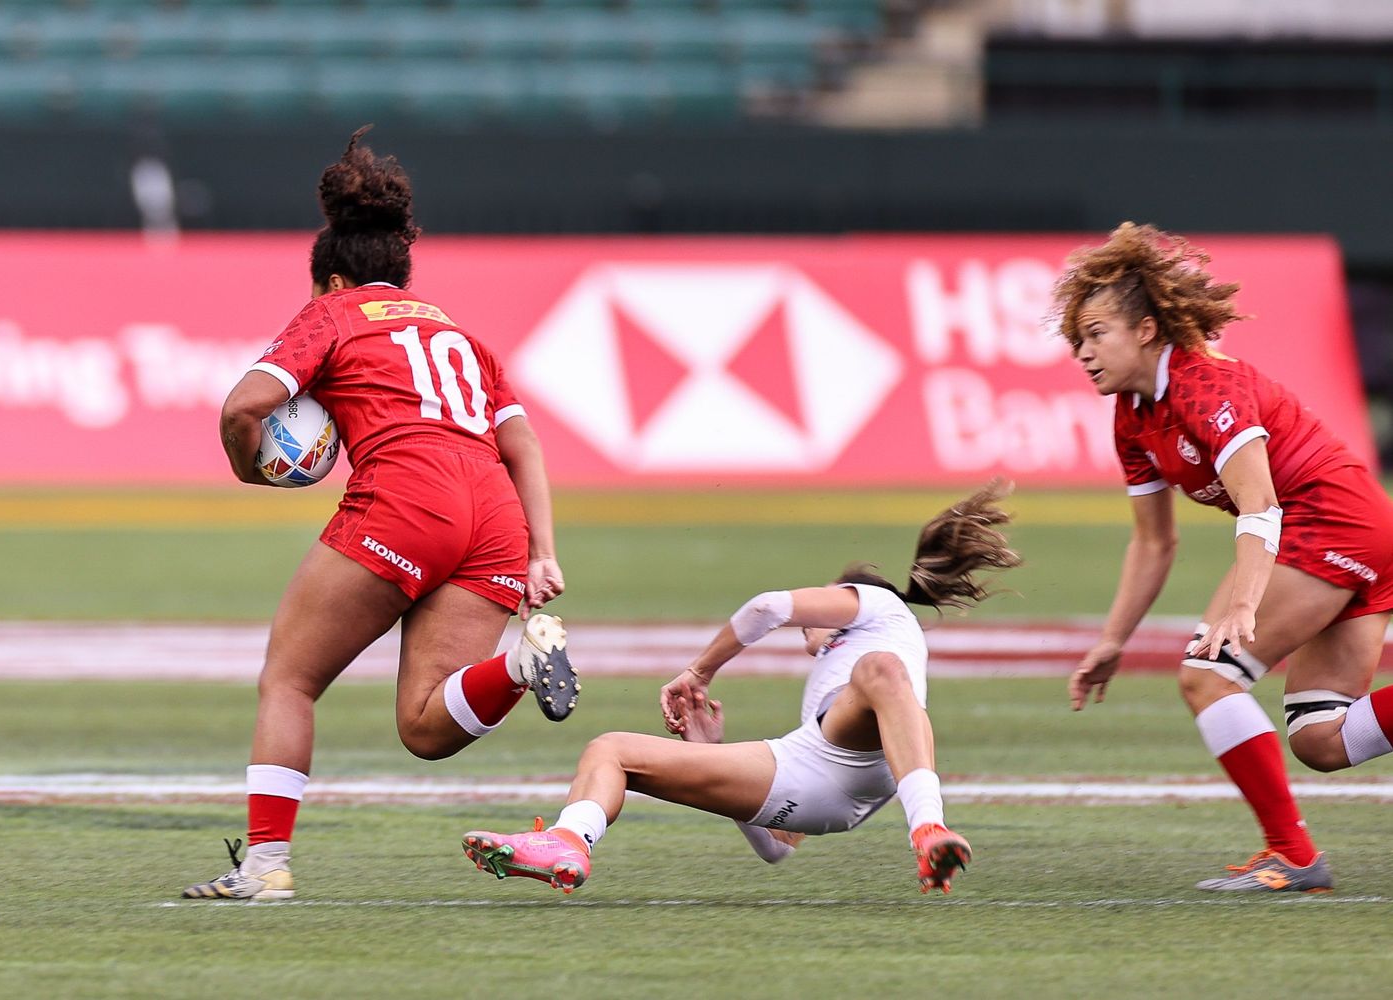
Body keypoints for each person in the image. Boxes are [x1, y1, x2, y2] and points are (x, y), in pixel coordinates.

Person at [182, 128, 577, 901]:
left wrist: (253, 470)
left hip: (404, 498)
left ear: (331, 279)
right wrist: (542, 553)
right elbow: (523, 442)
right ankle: (522, 666)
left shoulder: (331, 316)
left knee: (290, 680)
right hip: (495, 514)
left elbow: (244, 407)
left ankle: (264, 868)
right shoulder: (462, 336)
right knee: (426, 726)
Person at [458, 483, 1021, 895]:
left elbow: (769, 606)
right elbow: (777, 849)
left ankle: (928, 828)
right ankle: (568, 841)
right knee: (609, 751)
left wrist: (699, 671)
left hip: (856, 752)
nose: (809, 622)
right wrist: (713, 753)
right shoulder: (830, 687)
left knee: (880, 671)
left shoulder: (880, 610)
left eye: (822, 606)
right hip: (832, 780)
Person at [1061, 222, 1393, 893]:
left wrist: (1242, 605)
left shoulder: (1203, 387)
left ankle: (1293, 856)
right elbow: (1155, 542)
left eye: (1097, 334)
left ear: (1147, 329)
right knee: (1322, 741)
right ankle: (1295, 857)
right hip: (1359, 531)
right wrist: (1111, 640)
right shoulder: (1132, 415)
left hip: (1332, 523)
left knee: (1208, 675)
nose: (1083, 352)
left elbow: (1261, 504)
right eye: (1077, 339)